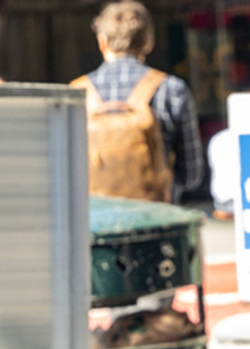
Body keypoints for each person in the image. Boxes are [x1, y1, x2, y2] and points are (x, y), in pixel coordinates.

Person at [73, 1, 202, 203]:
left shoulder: (76, 94)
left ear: (102, 42)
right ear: (148, 42)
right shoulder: (172, 89)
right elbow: (191, 176)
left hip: (94, 222)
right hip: (158, 219)